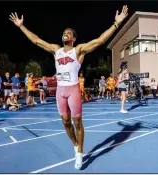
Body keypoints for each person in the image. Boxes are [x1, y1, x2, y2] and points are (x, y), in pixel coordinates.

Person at [9, 5, 128, 169]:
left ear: (73, 39)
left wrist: (117, 23)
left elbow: (100, 40)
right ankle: (75, 144)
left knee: (77, 123)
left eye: (68, 34)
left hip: (73, 90)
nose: (65, 35)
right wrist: (21, 26)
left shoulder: (78, 50)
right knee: (65, 123)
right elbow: (36, 40)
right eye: (64, 33)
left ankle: (79, 153)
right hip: (60, 92)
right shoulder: (56, 50)